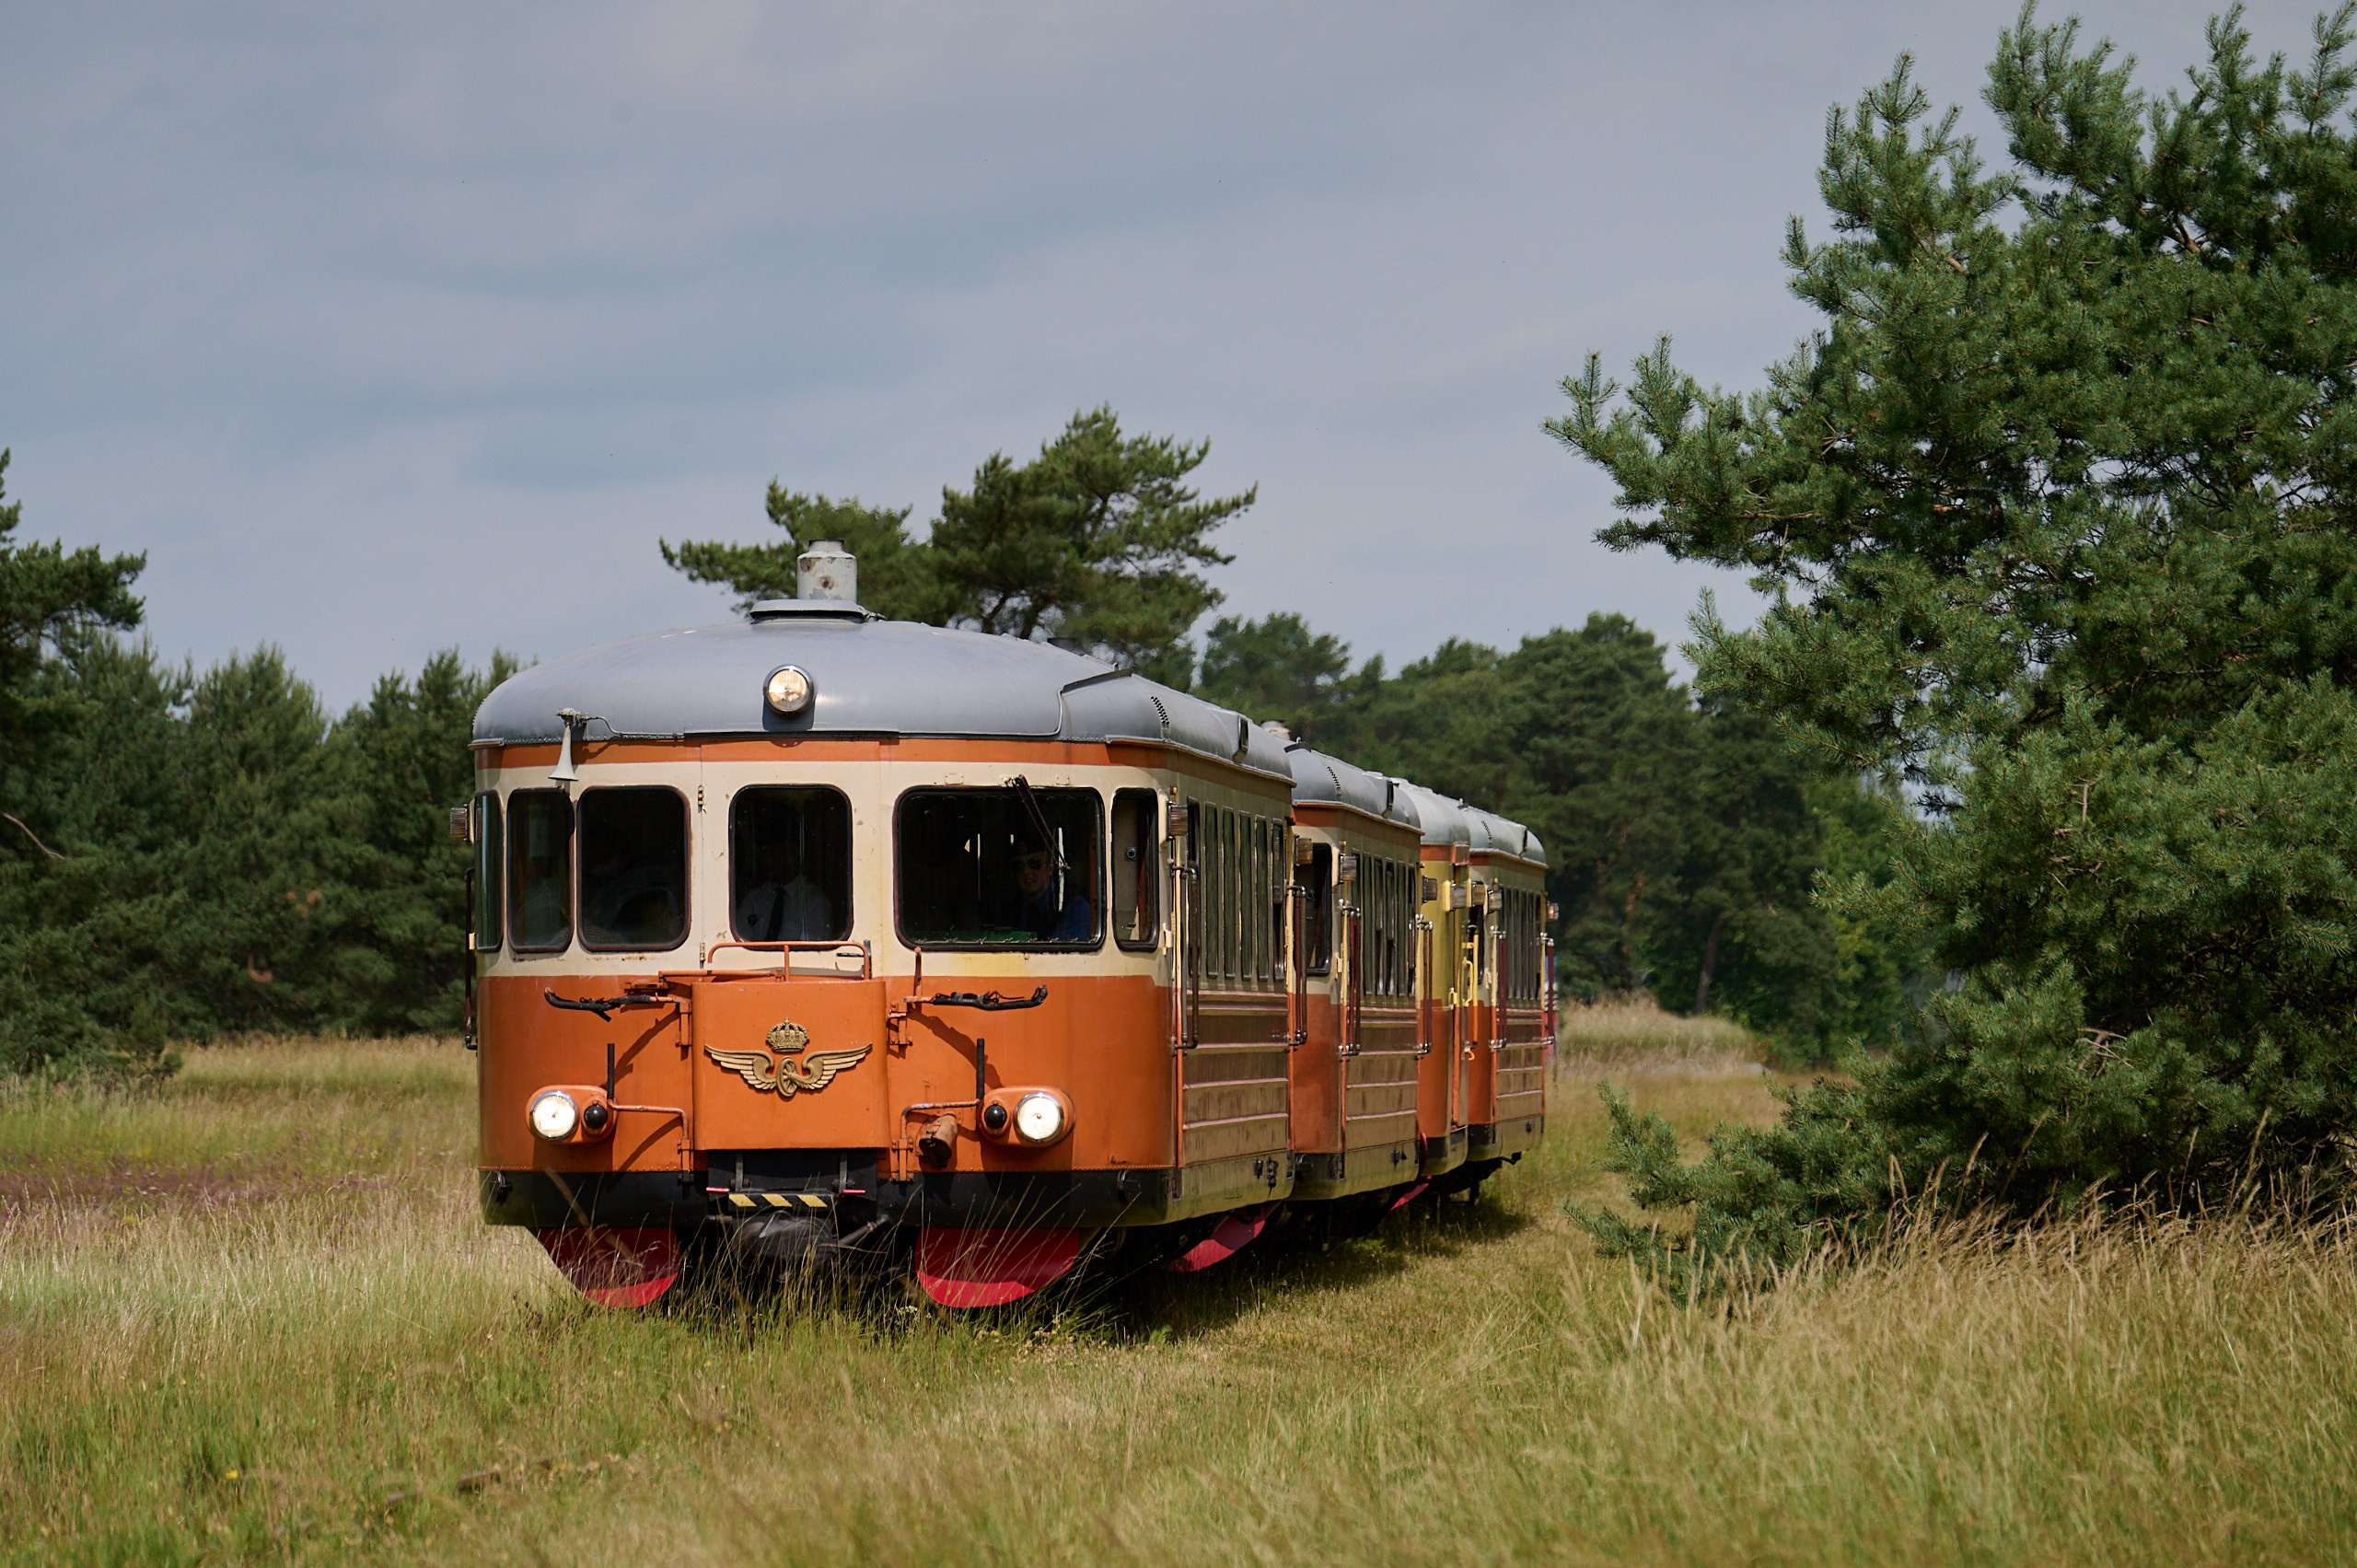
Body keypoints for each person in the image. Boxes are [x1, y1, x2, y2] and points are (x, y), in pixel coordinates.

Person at [736, 833, 835, 941]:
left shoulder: (814, 901)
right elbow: (741, 942)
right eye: (764, 855)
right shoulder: (755, 898)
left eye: (773, 854)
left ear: (793, 854)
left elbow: (814, 951)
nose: (766, 862)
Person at [1007, 831, 1092, 942]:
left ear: (1050, 868)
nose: (1026, 871)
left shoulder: (1075, 907)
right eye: (1018, 866)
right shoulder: (1012, 910)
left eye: (1034, 864)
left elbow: (1060, 952)